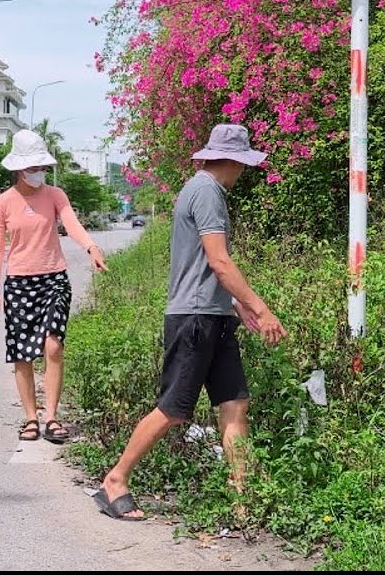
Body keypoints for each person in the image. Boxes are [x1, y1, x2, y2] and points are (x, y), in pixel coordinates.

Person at [94, 124, 287, 521]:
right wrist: (260, 308)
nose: (243, 172)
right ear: (232, 161)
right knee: (174, 408)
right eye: (243, 164)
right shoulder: (206, 192)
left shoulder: (203, 190)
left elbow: (202, 266)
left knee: (234, 403)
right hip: (195, 319)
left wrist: (235, 304)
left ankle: (242, 498)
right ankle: (116, 479)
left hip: (214, 314)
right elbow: (219, 261)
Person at [0, 130, 108, 444]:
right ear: (19, 168)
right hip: (19, 282)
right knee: (22, 352)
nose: (38, 171)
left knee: (53, 346)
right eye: (33, 167)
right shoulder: (2, 203)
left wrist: (91, 247)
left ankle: (52, 417)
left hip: (54, 278)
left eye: (41, 166)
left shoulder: (55, 195)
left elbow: (72, 224)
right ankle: (31, 418)